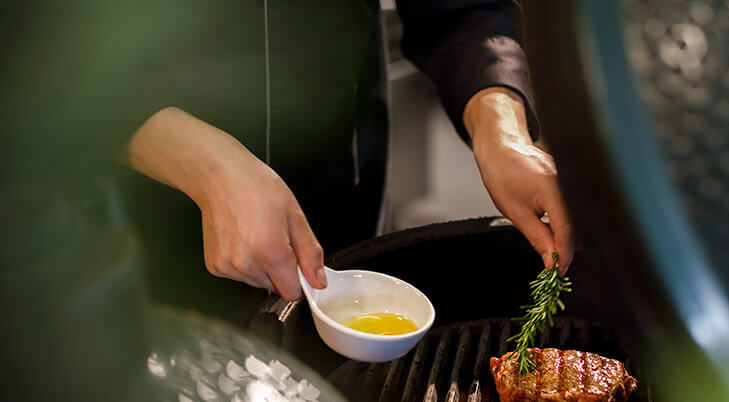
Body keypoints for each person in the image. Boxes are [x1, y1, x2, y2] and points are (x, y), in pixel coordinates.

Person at [118, 0, 575, 309]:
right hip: (148, 222)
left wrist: (502, 129)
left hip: (343, 191)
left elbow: (462, 6)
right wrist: (207, 169)